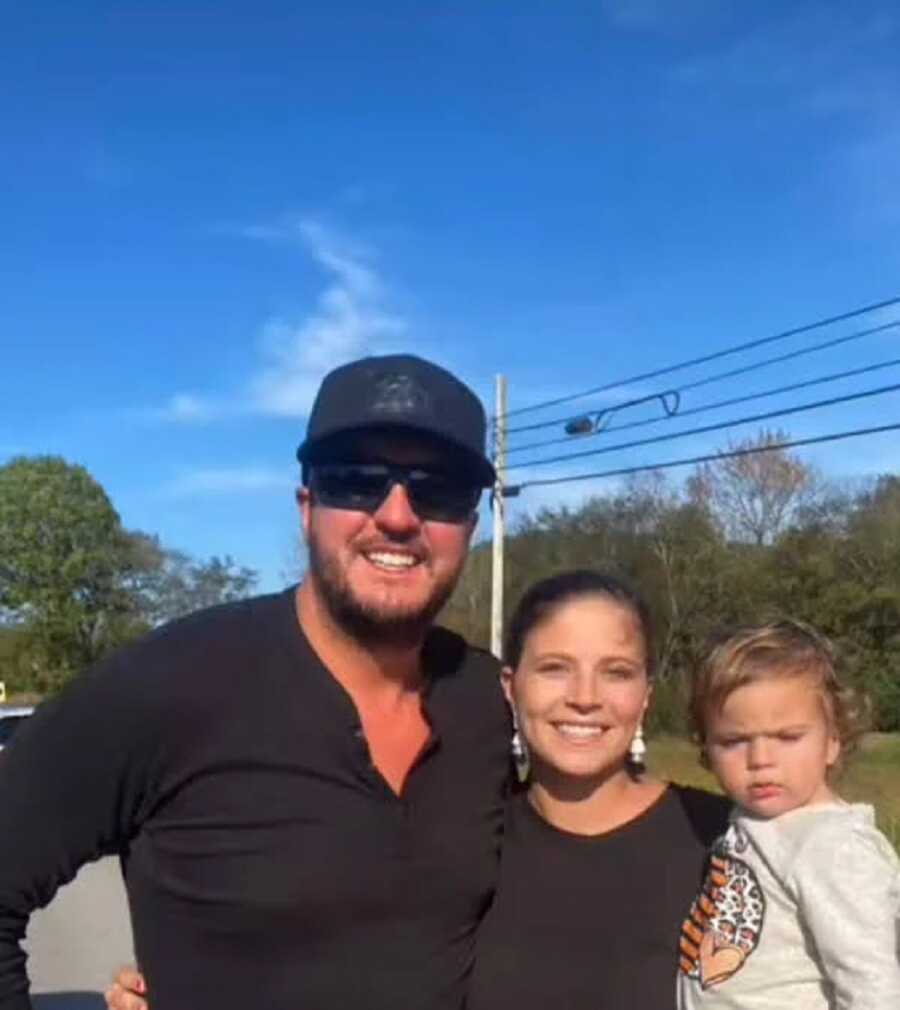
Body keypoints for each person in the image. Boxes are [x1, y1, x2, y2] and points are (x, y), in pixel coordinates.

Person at [0, 354, 512, 1010]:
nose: (397, 515)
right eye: (356, 479)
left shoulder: (485, 701)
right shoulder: (169, 683)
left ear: (468, 526)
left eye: (437, 490)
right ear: (307, 507)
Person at [465, 570, 730, 1009]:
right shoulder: (467, 848)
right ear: (511, 688)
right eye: (555, 668)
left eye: (616, 672)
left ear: (645, 694)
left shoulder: (724, 841)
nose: (585, 697)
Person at [678, 620, 900, 1009]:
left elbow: (872, 984)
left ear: (833, 741)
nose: (760, 760)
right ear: (707, 748)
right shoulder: (755, 823)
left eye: (787, 737)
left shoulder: (833, 846)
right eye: (734, 741)